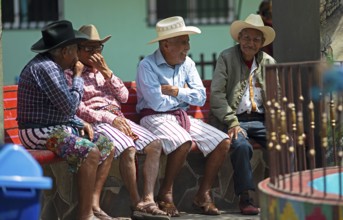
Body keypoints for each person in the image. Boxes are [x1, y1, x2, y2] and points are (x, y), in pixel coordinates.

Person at [64, 24, 170, 220]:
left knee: (155, 144)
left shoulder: (102, 70)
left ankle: (149, 200)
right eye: (89, 49)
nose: (95, 53)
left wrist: (106, 72)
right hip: (98, 122)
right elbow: (78, 109)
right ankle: (136, 203)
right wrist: (110, 118)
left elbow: (123, 96)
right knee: (129, 148)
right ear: (77, 50)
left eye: (98, 48)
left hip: (118, 119)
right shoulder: (71, 74)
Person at [17, 20, 117, 220]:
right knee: (89, 151)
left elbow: (63, 108)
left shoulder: (53, 66)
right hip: (37, 132)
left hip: (56, 127)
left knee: (106, 145)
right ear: (64, 51)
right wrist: (78, 76)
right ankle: (85, 215)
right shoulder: (47, 68)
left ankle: (93, 206)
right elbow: (69, 105)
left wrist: (80, 123)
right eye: (75, 50)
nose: (77, 56)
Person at [136, 16, 231, 217]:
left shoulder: (187, 63)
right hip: (154, 118)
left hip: (180, 117)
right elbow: (156, 103)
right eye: (182, 42)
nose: (187, 47)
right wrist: (185, 97)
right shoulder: (147, 65)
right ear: (166, 44)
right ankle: (165, 195)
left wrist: (176, 92)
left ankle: (202, 195)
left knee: (222, 141)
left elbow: (201, 96)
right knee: (183, 141)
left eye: (187, 41)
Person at [209, 14, 276, 215]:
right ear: (239, 38)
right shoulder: (226, 57)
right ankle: (246, 197)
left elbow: (277, 94)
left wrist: (277, 120)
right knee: (240, 145)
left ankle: (285, 192)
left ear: (262, 43)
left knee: (285, 143)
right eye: (247, 38)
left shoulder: (269, 61)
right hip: (234, 120)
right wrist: (231, 122)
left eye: (256, 39)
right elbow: (217, 95)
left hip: (262, 120)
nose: (250, 43)